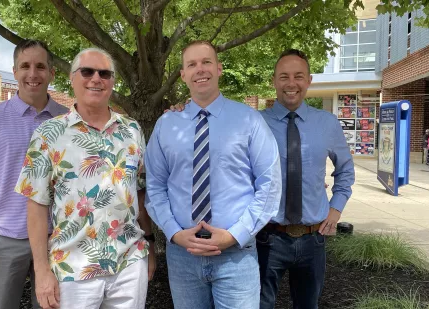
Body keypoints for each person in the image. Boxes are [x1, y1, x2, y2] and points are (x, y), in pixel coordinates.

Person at [145, 40, 282, 309]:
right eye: (191, 64)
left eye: (206, 62)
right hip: (182, 256)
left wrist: (235, 235)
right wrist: (173, 233)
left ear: (219, 68)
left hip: (236, 256)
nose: (200, 70)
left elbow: (270, 185)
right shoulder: (166, 125)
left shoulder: (249, 120)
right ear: (183, 75)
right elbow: (154, 186)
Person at [16, 47, 156, 309]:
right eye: (87, 71)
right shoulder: (48, 134)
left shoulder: (132, 130)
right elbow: (36, 205)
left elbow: (139, 192)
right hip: (73, 269)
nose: (96, 78)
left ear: (113, 81)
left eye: (104, 73)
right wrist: (42, 270)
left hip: (129, 263)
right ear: (71, 78)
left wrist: (150, 246)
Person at [0, 39, 69, 309]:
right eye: (25, 66)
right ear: (14, 71)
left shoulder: (69, 121)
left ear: (52, 73)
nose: (33, 73)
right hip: (4, 237)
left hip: (57, 239)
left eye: (40, 66)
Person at [257, 49, 355, 309]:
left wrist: (336, 209)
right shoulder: (255, 123)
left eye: (298, 76)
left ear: (309, 80)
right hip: (267, 238)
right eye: (284, 76)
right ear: (274, 80)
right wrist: (182, 111)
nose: (291, 83)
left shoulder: (327, 123)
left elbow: (345, 170)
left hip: (314, 240)